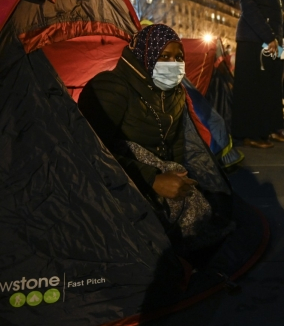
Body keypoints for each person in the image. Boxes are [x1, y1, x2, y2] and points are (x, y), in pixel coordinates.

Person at [78, 24, 233, 255]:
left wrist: (178, 175)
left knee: (199, 208)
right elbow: (87, 153)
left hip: (158, 174)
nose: (173, 64)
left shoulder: (176, 93)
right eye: (165, 56)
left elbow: (178, 146)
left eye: (178, 57)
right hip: (115, 183)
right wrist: (153, 180)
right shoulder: (110, 88)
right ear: (146, 54)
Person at [230, 0, 284, 148]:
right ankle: (249, 133)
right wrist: (269, 37)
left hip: (271, 40)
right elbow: (249, 8)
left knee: (271, 87)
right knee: (252, 88)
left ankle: (270, 128)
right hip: (254, 40)